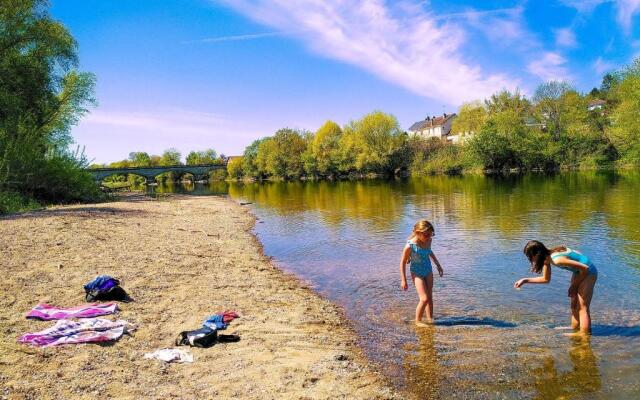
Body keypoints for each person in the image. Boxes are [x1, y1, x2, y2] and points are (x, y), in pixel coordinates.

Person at [514, 240, 598, 335]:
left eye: (530, 257)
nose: (530, 260)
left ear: (537, 254)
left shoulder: (557, 260)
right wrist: (525, 280)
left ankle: (583, 335)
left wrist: (574, 286)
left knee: (583, 307)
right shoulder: (546, 258)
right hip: (578, 272)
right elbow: (545, 279)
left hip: (589, 272)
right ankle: (575, 328)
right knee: (574, 304)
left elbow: (585, 268)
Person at [400, 220, 444, 327]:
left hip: (428, 270)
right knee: (424, 298)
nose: (429, 237)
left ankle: (430, 319)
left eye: (431, 234)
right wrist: (403, 280)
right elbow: (402, 262)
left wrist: (438, 264)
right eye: (426, 235)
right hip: (417, 273)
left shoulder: (429, 241)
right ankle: (418, 321)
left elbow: (429, 251)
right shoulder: (410, 246)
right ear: (417, 233)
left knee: (429, 297)